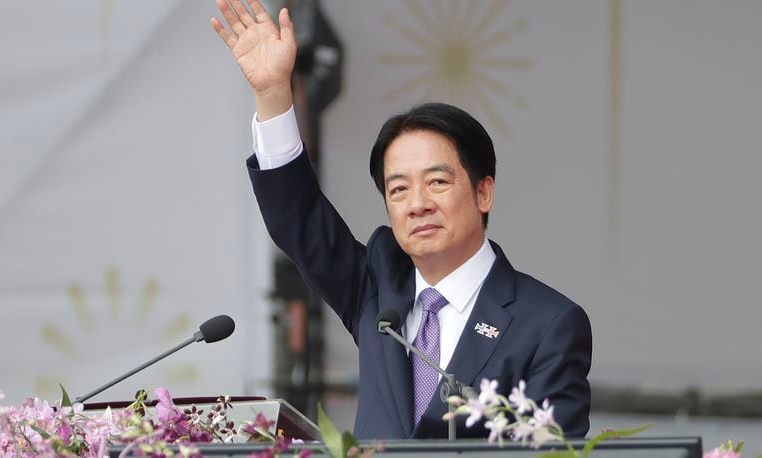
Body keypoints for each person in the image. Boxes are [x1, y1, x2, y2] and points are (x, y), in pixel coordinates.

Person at [211, 0, 592, 440]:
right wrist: (274, 94)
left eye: (436, 182)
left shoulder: (547, 323)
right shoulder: (379, 286)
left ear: (483, 191)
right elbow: (300, 221)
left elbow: (554, 448)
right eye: (398, 190)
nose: (417, 204)